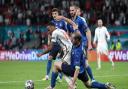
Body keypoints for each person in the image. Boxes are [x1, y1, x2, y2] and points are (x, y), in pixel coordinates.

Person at [46, 32, 115, 89]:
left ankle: (52, 87)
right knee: (89, 85)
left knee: (56, 64)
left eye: (72, 39)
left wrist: (72, 84)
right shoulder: (80, 43)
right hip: (82, 71)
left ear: (77, 40)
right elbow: (77, 34)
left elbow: (77, 70)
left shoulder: (77, 52)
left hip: (74, 70)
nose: (71, 39)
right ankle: (105, 86)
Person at [38, 8, 76, 81]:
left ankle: (60, 77)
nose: (54, 15)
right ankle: (47, 76)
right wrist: (49, 40)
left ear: (58, 14)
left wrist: (68, 39)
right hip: (54, 44)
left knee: (61, 60)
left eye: (55, 13)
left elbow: (66, 31)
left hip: (61, 44)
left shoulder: (63, 22)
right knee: (49, 58)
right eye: (53, 14)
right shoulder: (51, 23)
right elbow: (49, 33)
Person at [61, 5, 95, 81]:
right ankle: (72, 80)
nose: (71, 12)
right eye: (70, 10)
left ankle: (92, 79)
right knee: (68, 62)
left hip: (82, 45)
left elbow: (88, 31)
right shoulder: (69, 22)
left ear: (76, 11)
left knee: (85, 64)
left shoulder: (80, 20)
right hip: (73, 46)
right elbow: (68, 34)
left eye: (73, 10)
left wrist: (89, 44)